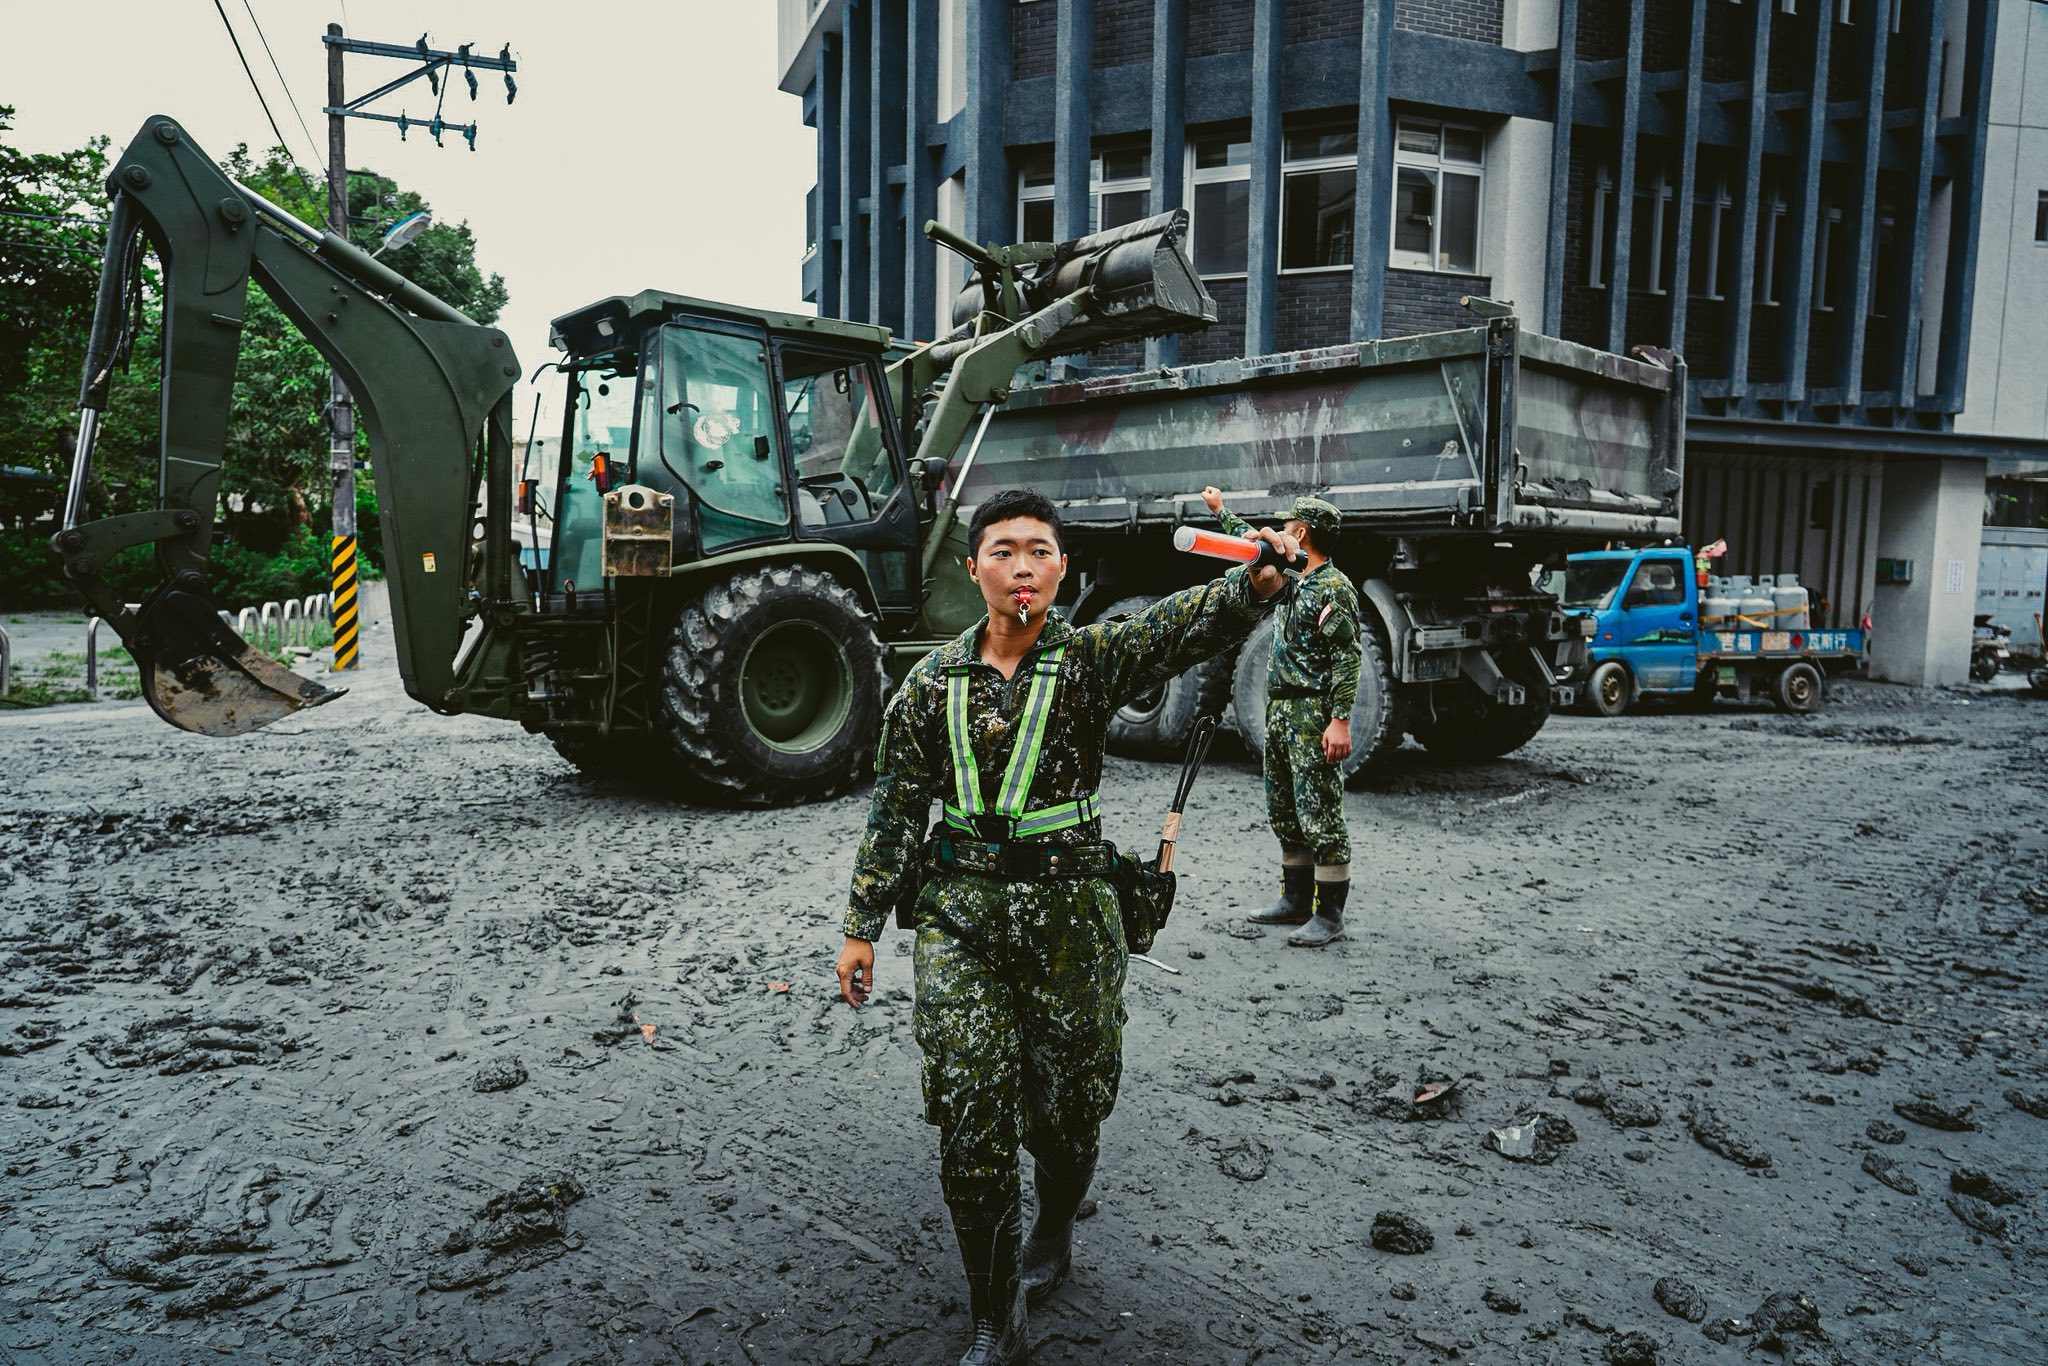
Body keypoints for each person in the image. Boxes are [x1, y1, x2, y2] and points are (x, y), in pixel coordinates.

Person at [835, 488, 1296, 1366]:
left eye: (1039, 550)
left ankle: (1054, 1227)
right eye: (1003, 550)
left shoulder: (1090, 661)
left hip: (1073, 922)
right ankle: (992, 1315)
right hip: (959, 917)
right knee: (971, 1110)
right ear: (974, 570)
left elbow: (1175, 628)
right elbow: (895, 810)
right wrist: (862, 925)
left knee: (1070, 1114)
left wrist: (1253, 585)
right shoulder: (927, 687)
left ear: (1061, 570)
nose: (1022, 565)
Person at [1200, 487, 1362, 949]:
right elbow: (1251, 543)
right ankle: (1294, 900)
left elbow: (1348, 657)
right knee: (1285, 807)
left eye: (1289, 525)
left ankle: (1329, 915)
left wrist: (1341, 720)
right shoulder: (1295, 579)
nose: (1283, 530)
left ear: (1303, 532)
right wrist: (1221, 512)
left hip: (1313, 712)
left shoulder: (1333, 587)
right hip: (1282, 711)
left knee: (1319, 813)